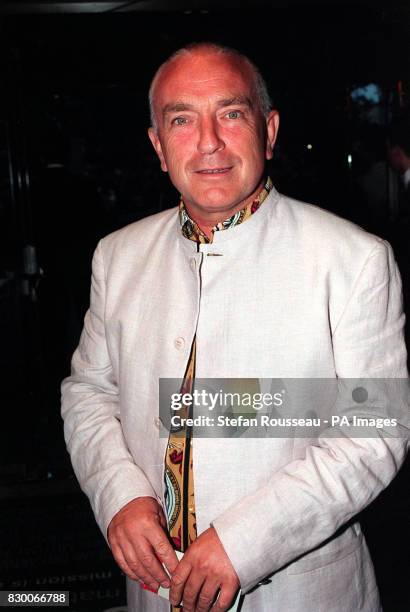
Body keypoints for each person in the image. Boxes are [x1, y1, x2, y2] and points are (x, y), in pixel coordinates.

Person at [61, 43, 409, 612]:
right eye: (181, 120)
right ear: (157, 146)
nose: (208, 142)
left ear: (268, 131)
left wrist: (243, 544)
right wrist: (119, 497)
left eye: (230, 113)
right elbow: (89, 392)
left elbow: (373, 433)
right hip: (156, 588)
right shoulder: (116, 256)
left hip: (302, 593)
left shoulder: (353, 259)